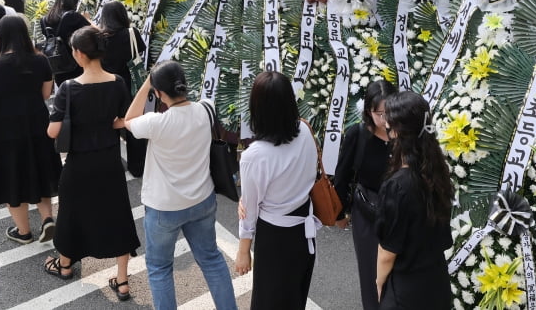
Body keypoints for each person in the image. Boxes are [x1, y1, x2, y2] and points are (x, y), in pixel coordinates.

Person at [122, 61, 237, 310]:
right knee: (212, 259)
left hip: (164, 207)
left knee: (160, 269)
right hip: (203, 200)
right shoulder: (206, 110)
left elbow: (128, 119)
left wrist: (146, 84)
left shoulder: (156, 123)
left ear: (159, 93)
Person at [44, 26, 139, 299]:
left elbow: (52, 132)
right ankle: (122, 281)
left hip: (79, 164)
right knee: (117, 215)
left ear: (79, 54)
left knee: (72, 214)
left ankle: (64, 265)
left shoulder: (69, 89)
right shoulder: (118, 82)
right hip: (110, 161)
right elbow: (125, 119)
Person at [235, 71, 319, 309]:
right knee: (294, 298)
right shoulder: (304, 130)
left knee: (268, 301)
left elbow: (249, 211)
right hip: (304, 232)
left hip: (275, 238)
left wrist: (243, 251)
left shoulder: (255, 155)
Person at [0, 15, 62, 245]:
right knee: (40, 170)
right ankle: (47, 219)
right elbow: (46, 95)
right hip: (37, 124)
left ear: (1, 37)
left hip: (3, 131)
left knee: (11, 178)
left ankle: (23, 232)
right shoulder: (40, 61)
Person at [373, 91, 452, 309]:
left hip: (406, 291)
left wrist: (379, 283)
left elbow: (387, 252)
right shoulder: (438, 173)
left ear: (398, 130)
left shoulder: (398, 185)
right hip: (437, 284)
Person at [334, 80, 398, 310]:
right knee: (371, 275)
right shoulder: (358, 135)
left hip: (399, 212)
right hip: (367, 212)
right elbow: (342, 176)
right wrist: (339, 213)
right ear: (368, 111)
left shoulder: (403, 134)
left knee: (397, 274)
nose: (384, 119)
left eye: (389, 111)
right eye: (378, 113)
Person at [99, 1, 148, 177]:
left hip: (106, 86)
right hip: (130, 85)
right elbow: (139, 51)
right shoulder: (131, 33)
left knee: (109, 124)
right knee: (133, 124)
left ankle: (113, 166)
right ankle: (138, 166)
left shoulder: (99, 37)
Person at [40, 0, 90, 85]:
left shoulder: (44, 20)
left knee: (66, 93)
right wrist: (87, 19)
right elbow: (91, 31)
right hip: (75, 62)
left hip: (58, 64)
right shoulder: (73, 16)